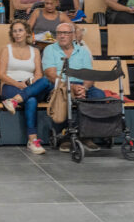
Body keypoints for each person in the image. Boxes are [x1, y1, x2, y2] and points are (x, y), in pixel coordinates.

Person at [42, 22, 104, 151]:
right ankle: (65, 137)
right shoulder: (50, 49)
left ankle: (86, 136)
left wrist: (84, 88)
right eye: (59, 33)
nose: (62, 36)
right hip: (61, 85)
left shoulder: (82, 51)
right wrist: (71, 86)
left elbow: (89, 74)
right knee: (63, 96)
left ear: (73, 35)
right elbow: (51, 74)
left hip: (82, 84)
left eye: (66, 33)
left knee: (98, 95)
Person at [0, 20, 52, 153]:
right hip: (10, 85)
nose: (17, 33)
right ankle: (33, 140)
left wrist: (29, 84)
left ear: (27, 32)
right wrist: (18, 84)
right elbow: (1, 74)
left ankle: (15, 101)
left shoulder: (35, 51)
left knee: (45, 81)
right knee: (32, 100)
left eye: (20, 30)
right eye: (15, 31)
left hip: (30, 85)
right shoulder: (6, 49)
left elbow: (38, 74)